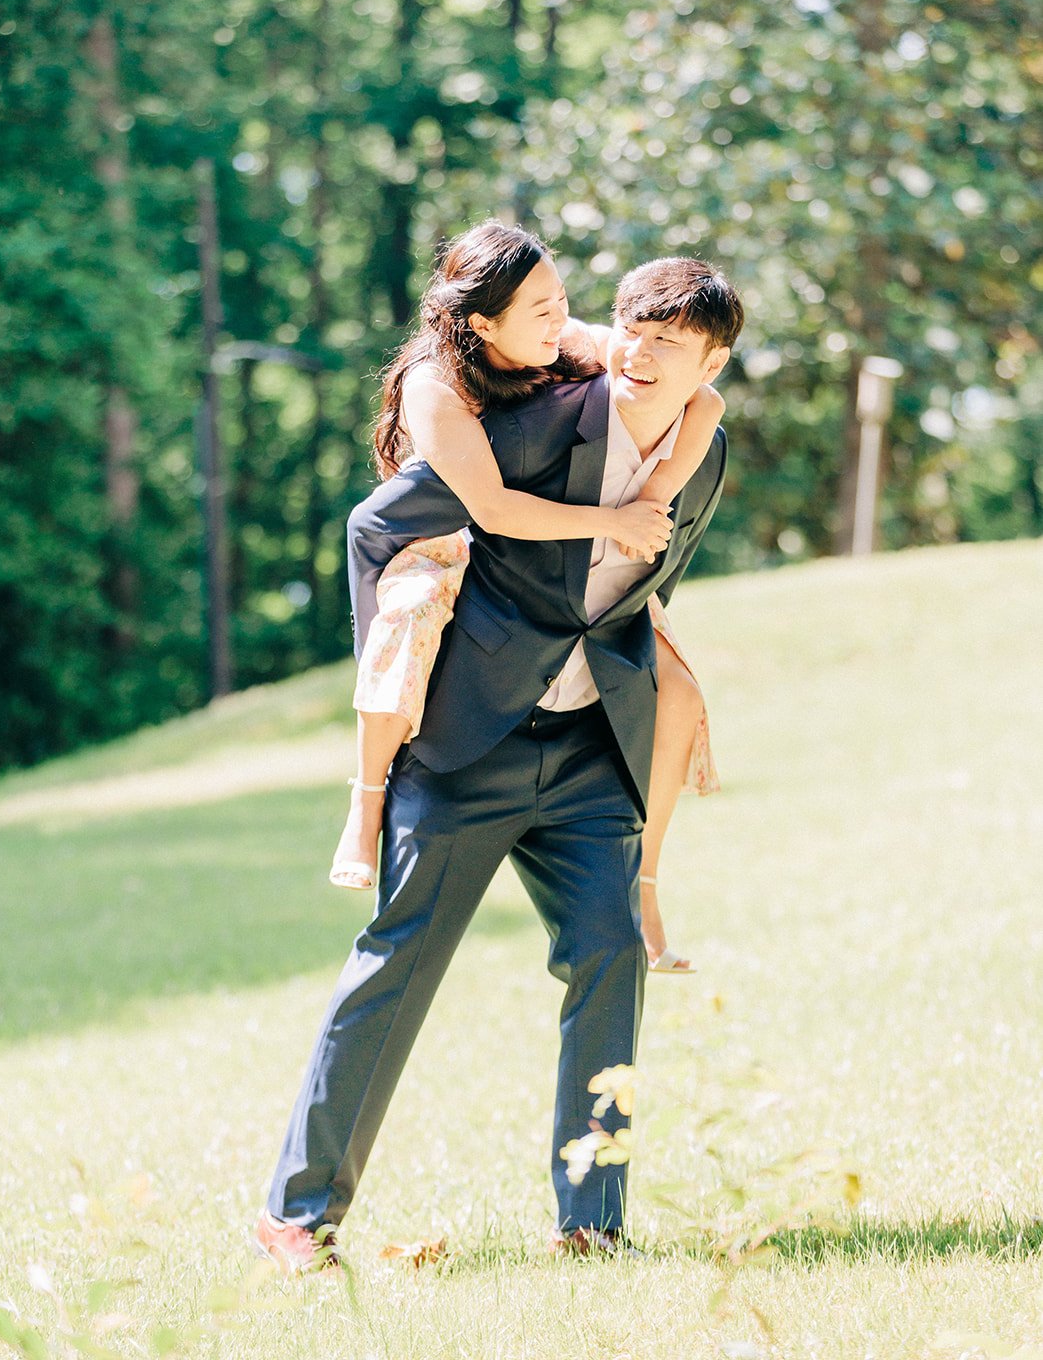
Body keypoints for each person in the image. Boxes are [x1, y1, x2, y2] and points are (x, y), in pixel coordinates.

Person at [255, 233, 743, 1271]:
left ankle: (590, 1224)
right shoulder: (523, 434)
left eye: (675, 345)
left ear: (712, 368)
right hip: (465, 745)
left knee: (611, 951)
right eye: (635, 333)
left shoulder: (707, 449)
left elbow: (649, 581)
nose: (644, 358)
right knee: (395, 966)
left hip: (586, 751)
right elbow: (371, 525)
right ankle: (296, 1217)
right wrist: (396, 661)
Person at [329, 220, 723, 973]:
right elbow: (492, 512)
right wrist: (614, 519)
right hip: (442, 537)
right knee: (408, 623)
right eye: (540, 308)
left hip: (562, 548)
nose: (562, 319)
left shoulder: (559, 339)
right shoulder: (433, 385)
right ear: (483, 322)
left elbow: (702, 401)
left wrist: (655, 502)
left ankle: (647, 883)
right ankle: (365, 800)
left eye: (563, 299)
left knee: (675, 690)